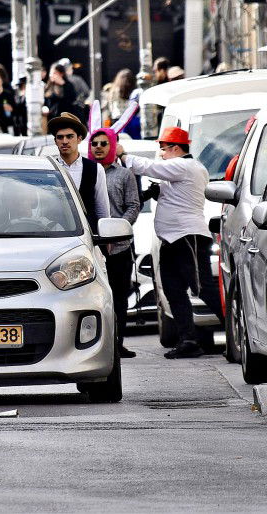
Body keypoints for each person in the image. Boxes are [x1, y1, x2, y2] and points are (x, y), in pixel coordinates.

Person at [116, 126, 223, 359]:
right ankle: (188, 339)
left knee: (202, 287)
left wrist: (123, 155)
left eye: (163, 150)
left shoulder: (186, 166)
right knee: (174, 291)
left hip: (188, 238)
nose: (161, 154)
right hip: (171, 240)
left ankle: (233, 328)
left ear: (175, 148)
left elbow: (150, 167)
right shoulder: (179, 170)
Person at [88, 128, 140, 359]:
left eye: (103, 143)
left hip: (119, 248)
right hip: (92, 248)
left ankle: (118, 343)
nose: (98, 147)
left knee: (119, 297)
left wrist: (118, 230)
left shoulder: (124, 175)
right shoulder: (86, 174)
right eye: (94, 143)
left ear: (112, 145)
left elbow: (133, 205)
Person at [47, 112, 108, 230]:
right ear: (55, 141)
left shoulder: (95, 169)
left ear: (79, 139)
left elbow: (102, 209)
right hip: (55, 236)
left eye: (70, 136)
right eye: (60, 137)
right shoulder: (49, 167)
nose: (64, 141)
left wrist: (106, 236)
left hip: (89, 237)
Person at [102, 69, 141, 139]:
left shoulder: (113, 90)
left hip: (116, 119)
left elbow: (110, 107)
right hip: (129, 119)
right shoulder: (134, 91)